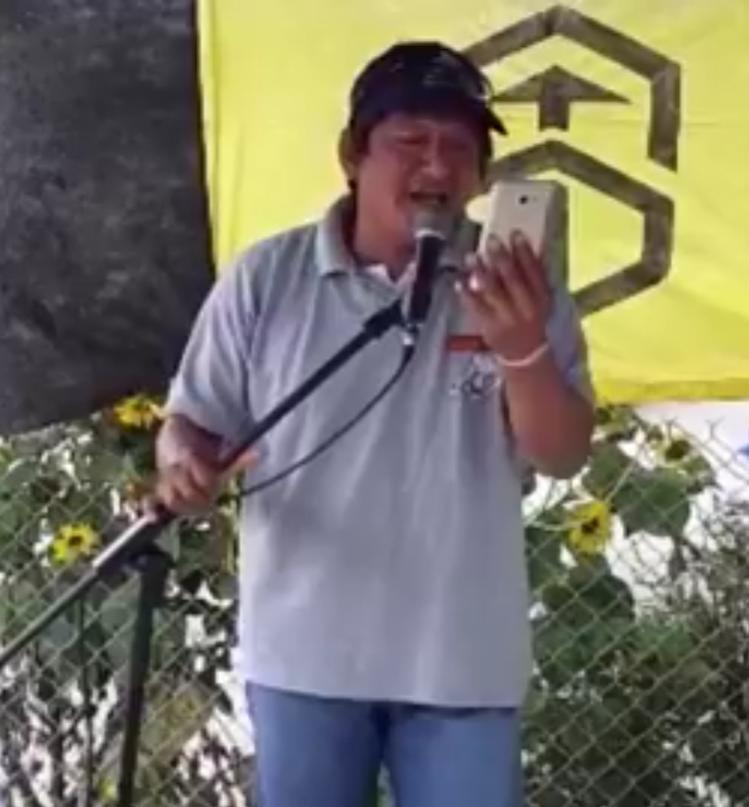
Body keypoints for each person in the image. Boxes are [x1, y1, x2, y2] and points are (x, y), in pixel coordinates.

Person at [154, 41, 594, 807]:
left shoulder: (519, 286)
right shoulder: (266, 278)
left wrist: (521, 347)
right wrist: (184, 464)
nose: (436, 165)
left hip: (461, 661)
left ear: (482, 175)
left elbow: (560, 454)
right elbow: (191, 422)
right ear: (351, 157)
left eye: (458, 147)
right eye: (410, 142)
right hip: (304, 657)